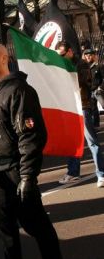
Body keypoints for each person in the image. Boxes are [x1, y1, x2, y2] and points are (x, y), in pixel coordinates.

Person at [0, 43, 67, 259]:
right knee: (2, 223)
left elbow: (30, 137)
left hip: (16, 169)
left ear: (4, 58)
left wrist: (28, 176)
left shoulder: (19, 90)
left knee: (36, 224)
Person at [55, 41, 104, 188]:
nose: (61, 58)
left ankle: (101, 174)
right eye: (59, 56)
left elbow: (85, 82)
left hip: (82, 106)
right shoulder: (64, 64)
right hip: (71, 107)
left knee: (91, 141)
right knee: (73, 142)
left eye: (63, 55)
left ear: (70, 52)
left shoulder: (81, 64)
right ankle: (73, 173)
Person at [83, 48, 104, 127]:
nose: (88, 57)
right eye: (86, 55)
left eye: (90, 55)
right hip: (89, 91)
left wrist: (100, 88)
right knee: (94, 109)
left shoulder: (99, 66)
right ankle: (96, 126)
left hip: (98, 91)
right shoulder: (84, 68)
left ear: (93, 56)